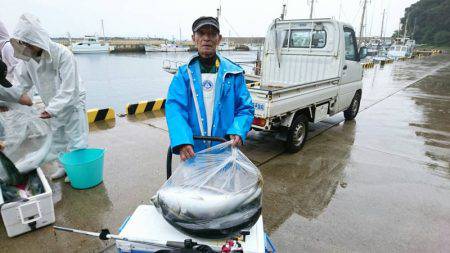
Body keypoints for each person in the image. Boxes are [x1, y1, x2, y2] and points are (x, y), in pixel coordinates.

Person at [10, 14, 88, 180]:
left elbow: (69, 88)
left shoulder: (62, 54)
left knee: (76, 138)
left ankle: (76, 170)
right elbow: (21, 85)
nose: (26, 47)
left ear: (37, 39)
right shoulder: (28, 60)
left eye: (29, 43)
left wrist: (51, 109)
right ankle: (63, 167)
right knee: (58, 138)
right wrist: (7, 100)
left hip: (73, 101)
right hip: (51, 103)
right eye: (24, 43)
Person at [165, 16, 254, 161]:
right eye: (201, 33)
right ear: (194, 38)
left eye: (212, 34)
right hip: (192, 153)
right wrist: (182, 141)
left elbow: (245, 108)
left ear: (219, 39)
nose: (206, 38)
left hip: (225, 151)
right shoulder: (183, 74)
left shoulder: (234, 73)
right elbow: (175, 108)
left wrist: (238, 130)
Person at [0, 20, 33, 109]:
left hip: (18, 89)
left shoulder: (7, 47)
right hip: (11, 89)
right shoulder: (5, 47)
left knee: (19, 115)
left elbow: (18, 71)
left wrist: (14, 93)